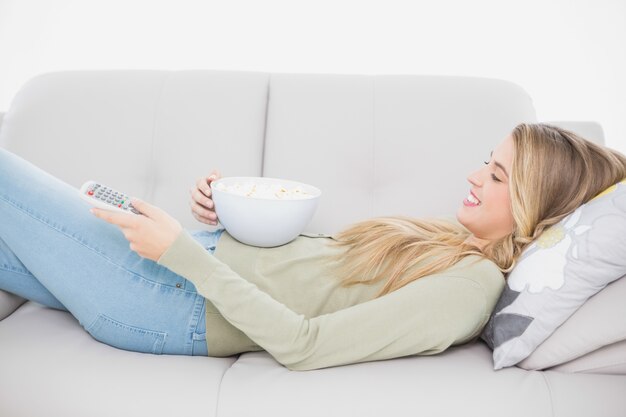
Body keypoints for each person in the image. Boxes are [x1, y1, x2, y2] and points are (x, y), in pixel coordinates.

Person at [0, 123, 624, 371]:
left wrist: (179, 254)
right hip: (182, 266)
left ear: (534, 210)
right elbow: (316, 274)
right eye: (482, 163)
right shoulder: (450, 241)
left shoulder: (469, 287)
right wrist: (227, 217)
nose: (472, 177)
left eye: (496, 177)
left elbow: (306, 344)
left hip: (165, 297)